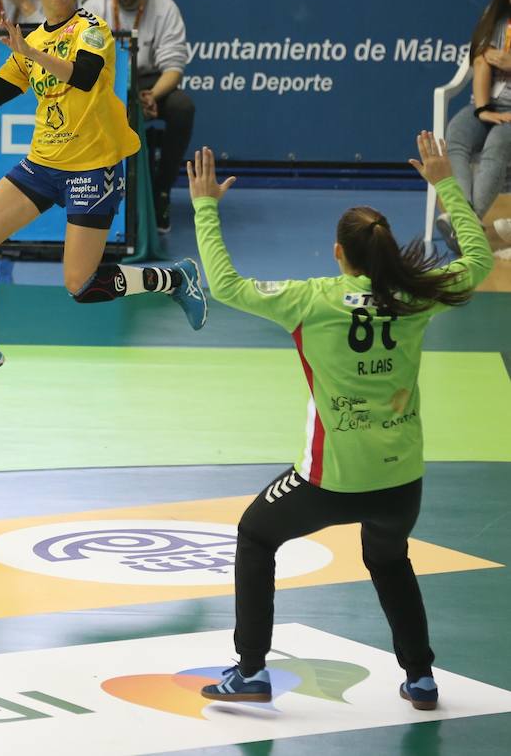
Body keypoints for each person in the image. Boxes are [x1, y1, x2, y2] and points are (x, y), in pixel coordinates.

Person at [190, 135, 492, 710]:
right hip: (400, 481)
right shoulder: (416, 296)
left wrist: (206, 206)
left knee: (255, 536)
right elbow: (477, 261)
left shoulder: (311, 300)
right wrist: (446, 182)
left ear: (337, 253)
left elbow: (225, 286)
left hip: (327, 481)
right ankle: (422, 678)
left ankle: (251, 670)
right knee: (388, 558)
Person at [0, 0, 207, 390]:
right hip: (43, 165)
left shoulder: (94, 29)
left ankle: (174, 279)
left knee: (82, 287)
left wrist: (30, 52)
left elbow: (81, 76)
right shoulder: (31, 40)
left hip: (94, 168)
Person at [82, 0, 193, 232]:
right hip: (108, 81)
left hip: (151, 81)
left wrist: (152, 95)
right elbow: (84, 64)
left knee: (182, 108)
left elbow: (174, 69)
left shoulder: (165, 8)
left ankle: (161, 192)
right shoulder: (94, 8)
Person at [438, 0, 511, 253]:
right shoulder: (494, 20)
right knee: (456, 134)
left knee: (497, 143)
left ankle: (465, 223)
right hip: (488, 105)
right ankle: (464, 219)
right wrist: (482, 110)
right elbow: (480, 60)